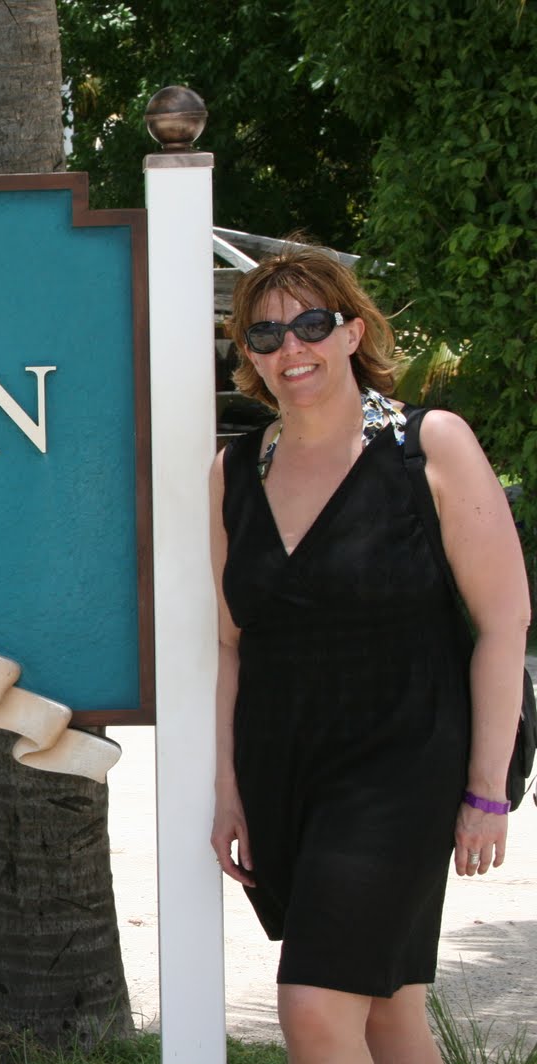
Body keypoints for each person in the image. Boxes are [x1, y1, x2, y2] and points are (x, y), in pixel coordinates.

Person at [209, 245, 529, 1063]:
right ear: (250, 355)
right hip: (287, 774)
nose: (292, 348)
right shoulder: (235, 471)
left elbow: (505, 620)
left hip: (404, 764)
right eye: (266, 334)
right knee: (388, 1013)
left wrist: (487, 790)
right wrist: (229, 788)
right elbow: (232, 645)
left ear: (352, 333)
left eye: (312, 324)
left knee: (315, 1010)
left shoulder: (429, 446)